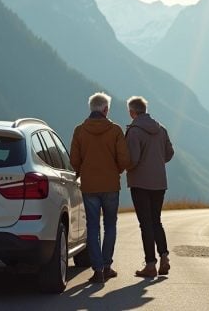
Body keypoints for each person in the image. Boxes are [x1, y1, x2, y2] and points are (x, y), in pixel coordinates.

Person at [70, 92, 130, 283]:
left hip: (89, 186)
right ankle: (107, 266)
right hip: (111, 185)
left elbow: (74, 160)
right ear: (106, 109)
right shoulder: (115, 130)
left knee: (92, 227)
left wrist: (82, 171)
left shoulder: (79, 130)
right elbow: (124, 159)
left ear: (91, 108)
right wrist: (115, 171)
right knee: (110, 225)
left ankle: (97, 271)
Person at [125, 96, 175, 277]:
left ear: (132, 112)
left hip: (140, 183)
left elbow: (133, 159)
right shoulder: (161, 130)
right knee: (156, 221)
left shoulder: (134, 131)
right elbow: (169, 153)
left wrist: (125, 166)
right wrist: (157, 161)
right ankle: (164, 256)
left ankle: (150, 264)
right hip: (159, 182)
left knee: (145, 224)